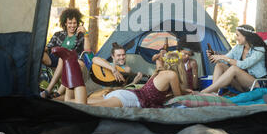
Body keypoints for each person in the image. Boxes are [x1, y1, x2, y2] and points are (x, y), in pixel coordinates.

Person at [61, 50, 191, 108]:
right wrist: (188, 92)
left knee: (70, 101)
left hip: (126, 94)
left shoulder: (159, 72)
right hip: (130, 98)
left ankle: (68, 65)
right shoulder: (171, 75)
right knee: (84, 106)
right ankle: (72, 63)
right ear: (179, 66)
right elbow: (177, 96)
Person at [201, 24, 267, 94]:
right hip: (242, 84)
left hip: (257, 84)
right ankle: (214, 93)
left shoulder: (259, 50)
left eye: (238, 35)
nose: (236, 38)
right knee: (220, 65)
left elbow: (244, 65)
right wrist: (215, 55)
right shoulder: (238, 47)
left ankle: (204, 91)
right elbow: (225, 60)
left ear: (246, 36)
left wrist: (223, 57)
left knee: (234, 69)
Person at [40, 8, 91, 99]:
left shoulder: (80, 35)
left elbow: (87, 51)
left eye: (74, 23)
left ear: (78, 23)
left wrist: (86, 34)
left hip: (72, 60)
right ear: (65, 23)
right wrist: (37, 50)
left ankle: (49, 90)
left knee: (62, 59)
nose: (72, 25)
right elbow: (48, 47)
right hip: (56, 59)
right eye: (70, 23)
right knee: (44, 55)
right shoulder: (58, 34)